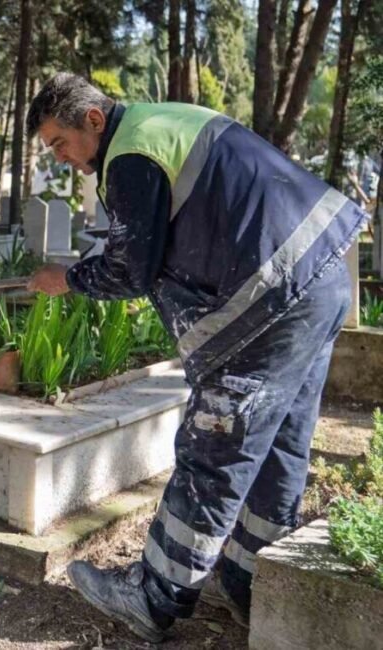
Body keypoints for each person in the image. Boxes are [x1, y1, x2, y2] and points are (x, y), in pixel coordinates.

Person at [24, 73, 368, 643]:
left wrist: (68, 278)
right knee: (280, 440)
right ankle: (248, 580)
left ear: (92, 120)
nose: (61, 158)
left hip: (272, 296)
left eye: (60, 143)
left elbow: (130, 268)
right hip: (319, 274)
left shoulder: (130, 153)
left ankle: (153, 595)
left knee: (217, 445)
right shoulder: (159, 122)